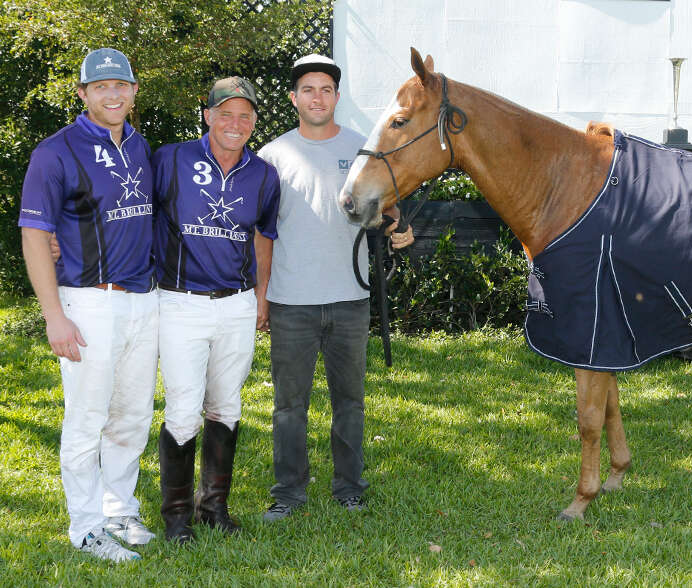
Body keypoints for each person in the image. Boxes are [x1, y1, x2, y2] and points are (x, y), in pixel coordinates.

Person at [256, 54, 413, 521]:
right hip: (290, 302)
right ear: (294, 98)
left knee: (350, 401)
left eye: (326, 89)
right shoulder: (272, 155)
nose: (317, 97)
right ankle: (288, 494)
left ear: (336, 97)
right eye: (308, 89)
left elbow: (382, 210)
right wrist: (261, 297)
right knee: (289, 407)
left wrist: (395, 227)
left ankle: (349, 487)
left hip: (349, 298)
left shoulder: (362, 149)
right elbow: (262, 235)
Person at [19, 48, 158, 562]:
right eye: (101, 87)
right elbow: (35, 235)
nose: (113, 94)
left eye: (121, 85)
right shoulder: (55, 151)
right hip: (87, 302)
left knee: (133, 414)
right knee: (87, 417)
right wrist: (54, 314)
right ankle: (86, 527)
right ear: (82, 94)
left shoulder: (140, 147)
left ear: (134, 90)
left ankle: (120, 505)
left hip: (143, 300)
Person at [152, 76, 280, 542]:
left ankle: (214, 508)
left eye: (245, 116)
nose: (235, 123)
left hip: (238, 305)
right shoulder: (171, 158)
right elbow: (127, 209)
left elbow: (264, 237)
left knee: (226, 405)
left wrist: (262, 296)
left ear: (253, 123)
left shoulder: (263, 174)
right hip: (181, 301)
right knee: (184, 409)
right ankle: (177, 518)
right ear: (207, 115)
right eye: (225, 113)